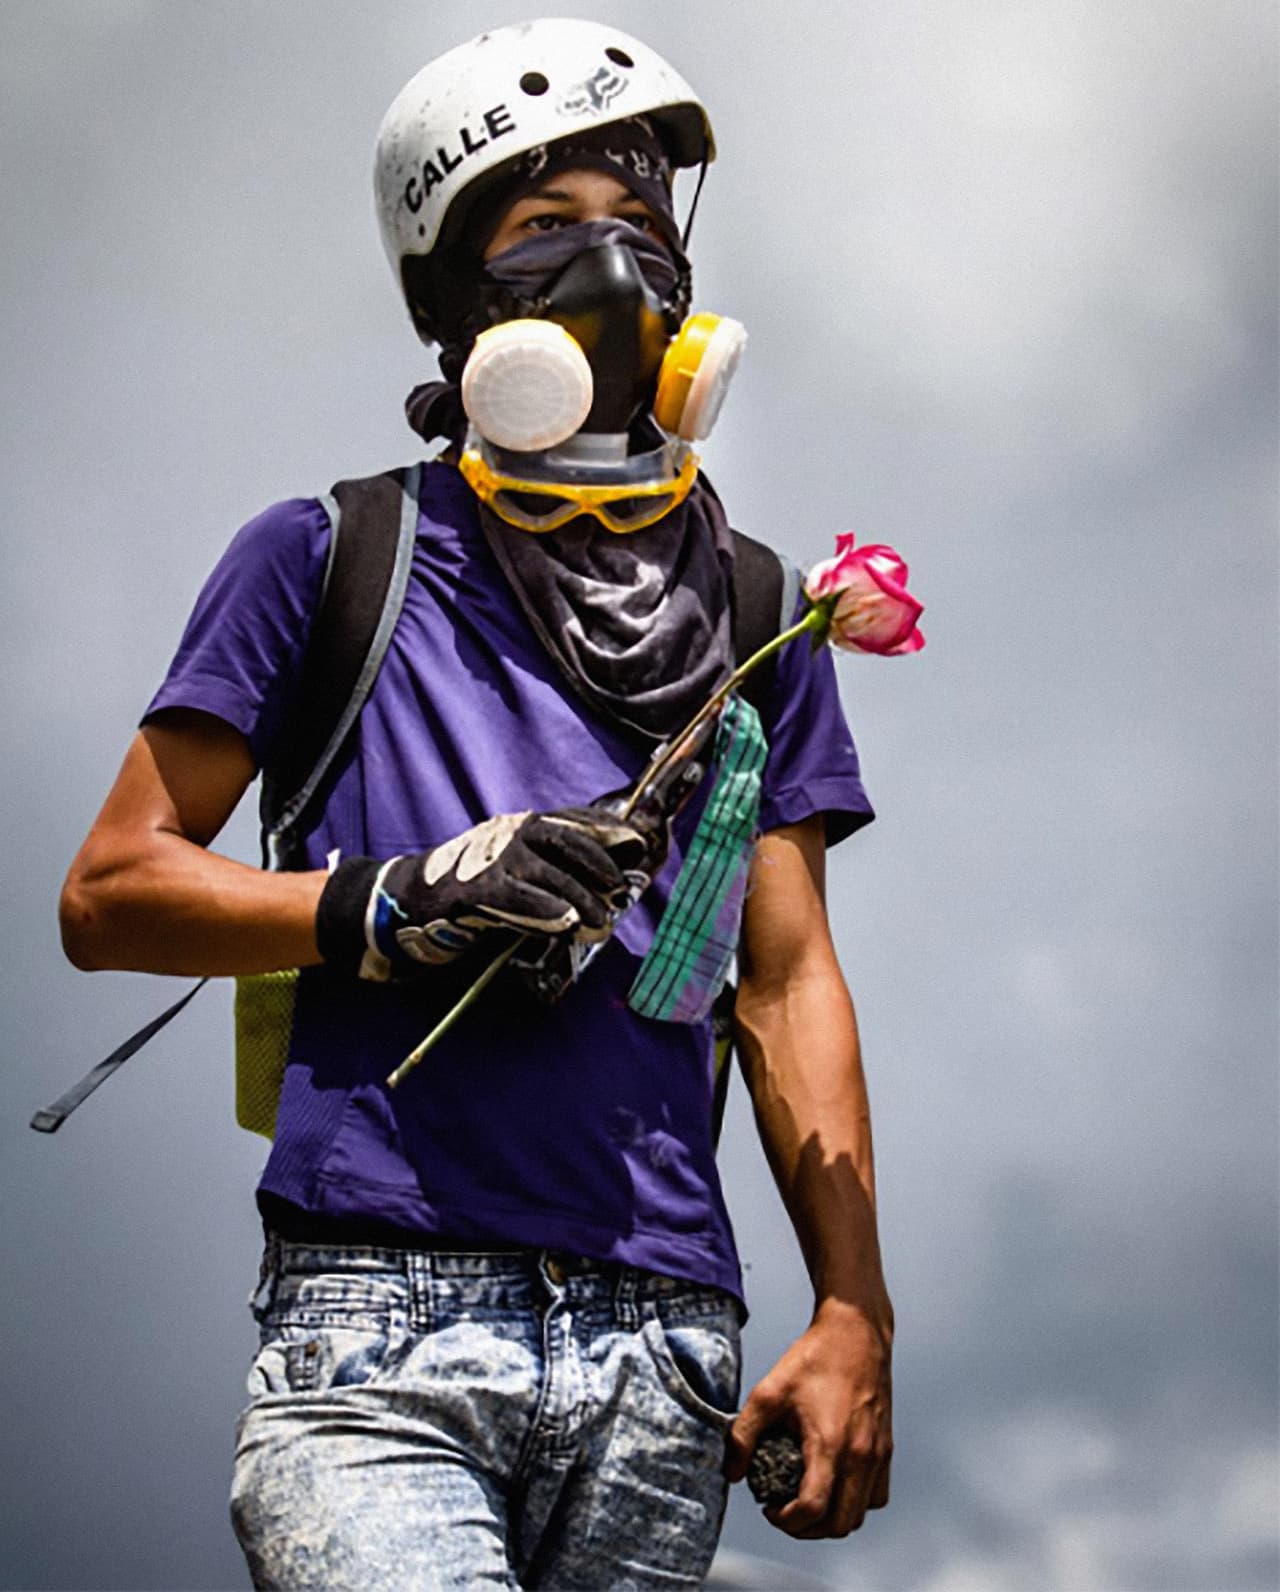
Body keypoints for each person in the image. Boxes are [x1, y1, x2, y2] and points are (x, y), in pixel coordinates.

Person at [59, 18, 894, 1590]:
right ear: (454, 303)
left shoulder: (769, 609)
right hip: (380, 1328)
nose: (613, 264)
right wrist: (393, 902)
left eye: (642, 226)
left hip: (664, 1345)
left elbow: (785, 986)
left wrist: (854, 1308)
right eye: (544, 229)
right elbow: (108, 898)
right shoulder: (325, 557)